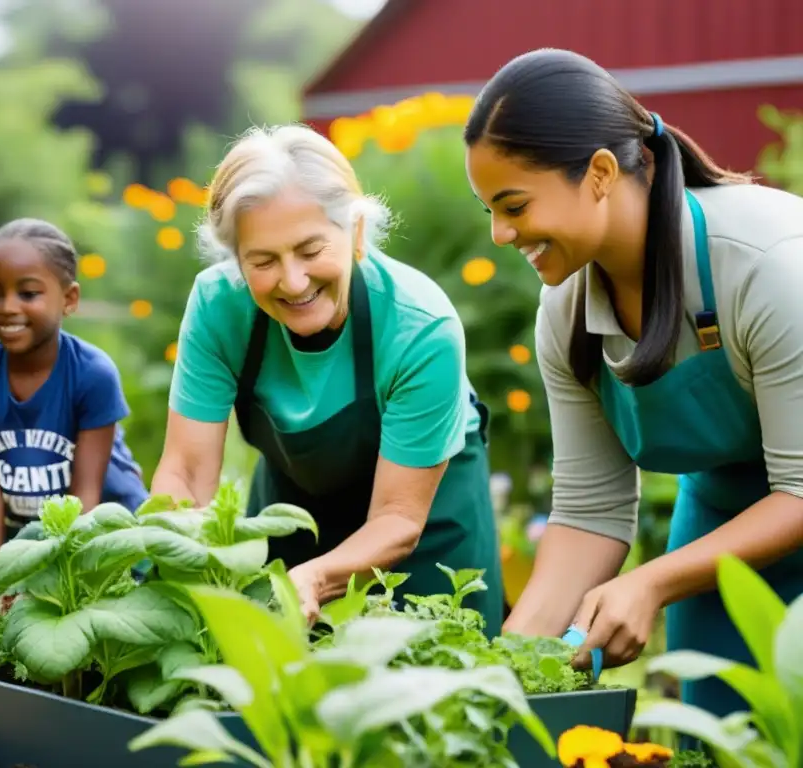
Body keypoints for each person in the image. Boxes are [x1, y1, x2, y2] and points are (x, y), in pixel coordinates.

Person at [464, 47, 803, 719]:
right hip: (726, 516)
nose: (502, 234)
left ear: (598, 173)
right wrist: (502, 677)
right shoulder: (565, 312)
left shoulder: (765, 265)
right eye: (490, 213)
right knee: (711, 742)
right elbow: (589, 515)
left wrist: (651, 583)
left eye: (515, 205)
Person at [151, 124, 504, 635]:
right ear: (236, 260)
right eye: (263, 261)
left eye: (311, 250)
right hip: (294, 507)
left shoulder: (420, 326)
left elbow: (398, 518)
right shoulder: (218, 306)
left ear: (356, 233)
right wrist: (178, 568)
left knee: (437, 687)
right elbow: (184, 473)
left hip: (424, 528)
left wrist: (315, 578)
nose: (293, 282)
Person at [0, 218, 149, 604]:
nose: (8, 308)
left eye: (28, 294)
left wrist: (45, 586)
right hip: (31, 546)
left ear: (69, 299)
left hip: (112, 548)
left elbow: (85, 503)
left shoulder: (92, 374)